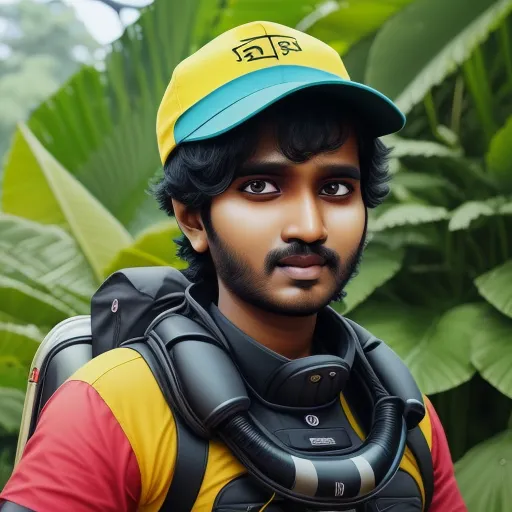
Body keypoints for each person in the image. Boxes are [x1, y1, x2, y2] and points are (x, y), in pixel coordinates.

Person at [0, 20, 466, 512]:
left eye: (335, 189)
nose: (309, 227)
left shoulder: (406, 417)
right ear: (193, 218)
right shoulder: (113, 407)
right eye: (261, 187)